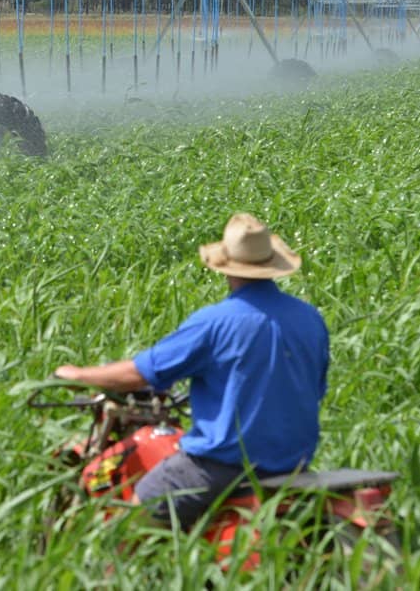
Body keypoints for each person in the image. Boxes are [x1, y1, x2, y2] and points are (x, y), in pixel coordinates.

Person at [54, 213, 329, 529]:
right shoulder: (310, 319)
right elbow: (316, 389)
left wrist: (79, 375)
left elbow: (142, 373)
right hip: (294, 464)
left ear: (225, 266)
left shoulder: (216, 322)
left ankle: (116, 571)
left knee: (126, 525)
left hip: (221, 466)